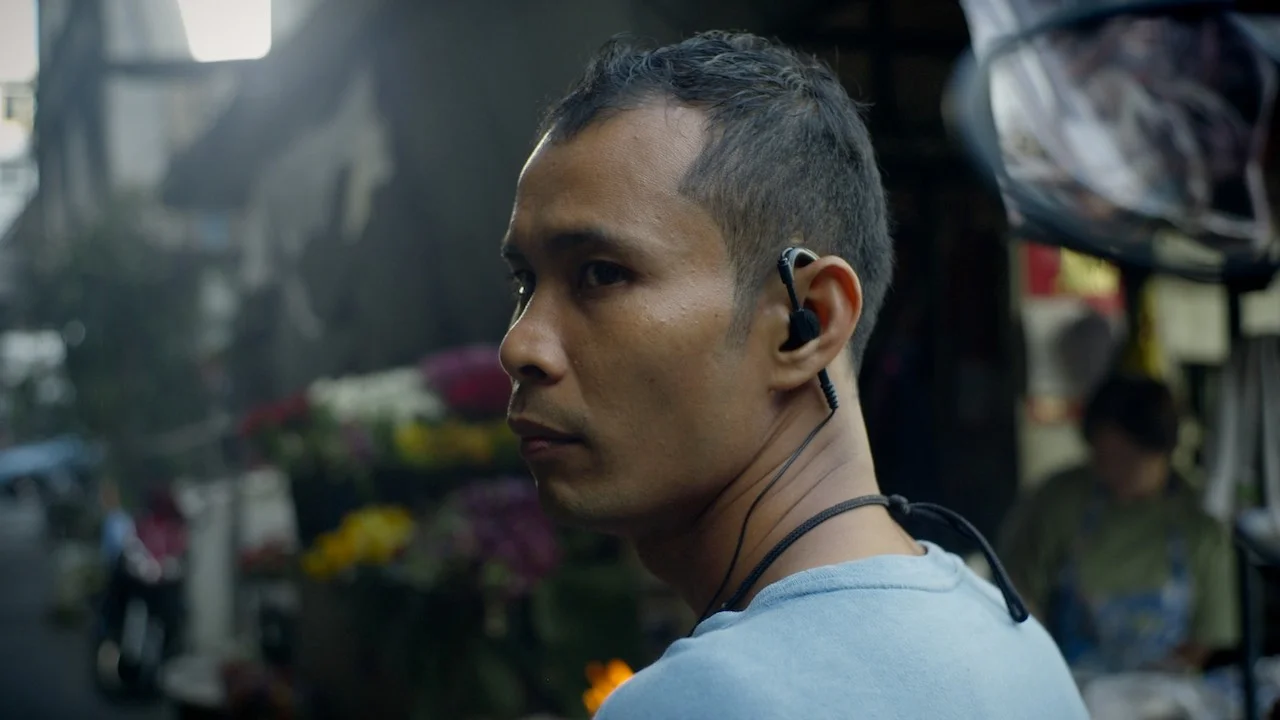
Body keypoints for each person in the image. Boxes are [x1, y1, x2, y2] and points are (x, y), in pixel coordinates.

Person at [499, 31, 1086, 719]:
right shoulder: (1012, 638)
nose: (520, 345)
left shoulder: (696, 703)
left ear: (807, 322)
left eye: (601, 274)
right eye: (524, 282)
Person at [1001, 374, 1238, 674]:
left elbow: (1208, 633)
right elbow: (1017, 591)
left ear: (1162, 450)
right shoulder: (1058, 501)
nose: (1110, 470)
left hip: (1162, 690)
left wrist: (1154, 685)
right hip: (1068, 681)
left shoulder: (1201, 522)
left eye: (1125, 458)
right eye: (1102, 457)